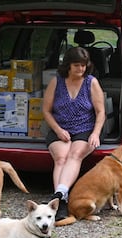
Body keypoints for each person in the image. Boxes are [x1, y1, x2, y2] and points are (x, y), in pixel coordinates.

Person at [42, 46, 105, 222]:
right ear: (68, 65)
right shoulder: (57, 81)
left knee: (75, 154)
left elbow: (101, 112)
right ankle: (61, 199)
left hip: (85, 129)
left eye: (84, 65)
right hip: (61, 128)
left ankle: (58, 197)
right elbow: (46, 111)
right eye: (77, 65)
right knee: (61, 157)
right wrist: (58, 130)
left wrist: (95, 133)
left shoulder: (91, 82)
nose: (81, 69)